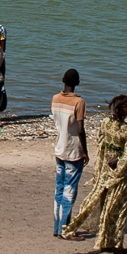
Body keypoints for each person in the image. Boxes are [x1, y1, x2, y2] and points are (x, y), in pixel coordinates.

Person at [61, 94, 127, 252]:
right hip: (121, 176)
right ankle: (114, 245)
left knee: (104, 207)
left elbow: (101, 148)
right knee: (118, 210)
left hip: (105, 172)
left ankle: (104, 242)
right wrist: (119, 162)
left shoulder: (104, 124)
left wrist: (100, 170)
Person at [50, 69, 87, 236]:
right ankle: (66, 228)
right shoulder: (79, 102)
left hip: (59, 147)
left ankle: (57, 227)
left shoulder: (55, 99)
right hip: (73, 150)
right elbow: (80, 129)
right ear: (77, 82)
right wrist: (85, 151)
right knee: (70, 189)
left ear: (63, 79)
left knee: (59, 188)